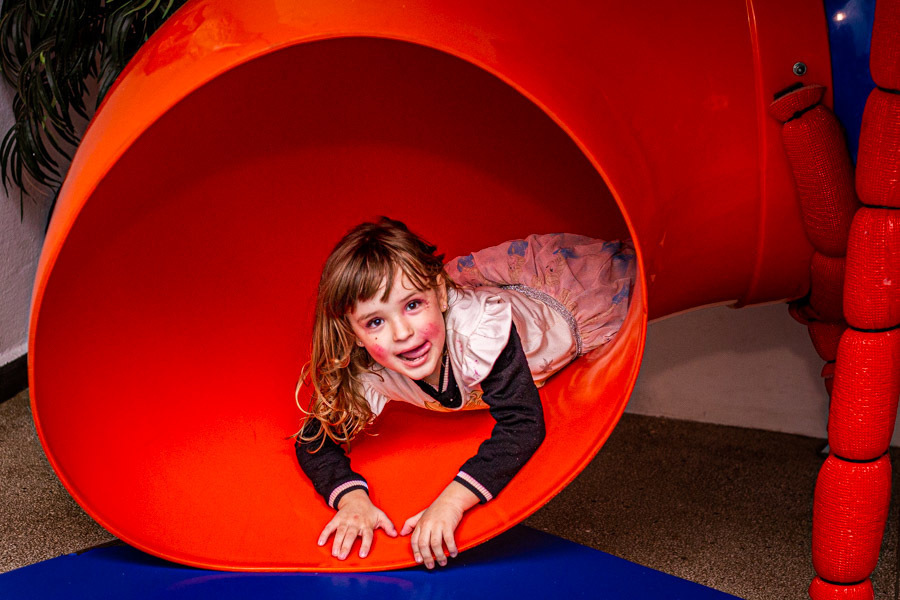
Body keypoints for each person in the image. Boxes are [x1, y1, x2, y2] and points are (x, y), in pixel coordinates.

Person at [295, 217, 635, 569]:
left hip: (564, 302)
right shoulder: (369, 371)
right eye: (375, 322)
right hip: (493, 302)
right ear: (353, 334)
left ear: (439, 295)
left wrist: (451, 503)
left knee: (636, 270)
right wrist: (351, 499)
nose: (401, 333)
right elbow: (313, 440)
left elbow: (523, 423)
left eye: (413, 305)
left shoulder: (479, 334)